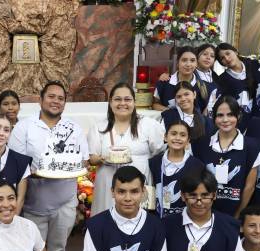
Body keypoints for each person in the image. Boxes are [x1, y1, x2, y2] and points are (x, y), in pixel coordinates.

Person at [8, 81, 90, 251]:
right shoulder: (25, 127)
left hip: (65, 199)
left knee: (58, 245)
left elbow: (83, 160)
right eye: (51, 96)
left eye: (60, 98)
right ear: (40, 99)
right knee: (34, 246)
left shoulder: (73, 127)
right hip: (35, 201)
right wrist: (34, 173)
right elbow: (16, 163)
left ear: (65, 102)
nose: (56, 101)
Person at [88, 82, 165, 216]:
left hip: (138, 184)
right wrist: (102, 158)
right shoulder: (99, 127)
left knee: (137, 225)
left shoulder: (148, 125)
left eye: (127, 99)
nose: (122, 103)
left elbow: (160, 151)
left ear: (134, 102)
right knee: (107, 223)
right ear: (110, 102)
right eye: (117, 99)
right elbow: (91, 158)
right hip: (108, 184)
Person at [192, 96, 260, 217]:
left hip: (234, 213)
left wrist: (237, 215)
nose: (225, 120)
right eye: (220, 115)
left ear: (238, 116)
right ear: (214, 117)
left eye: (230, 115)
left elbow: (249, 187)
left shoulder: (251, 146)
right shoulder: (201, 143)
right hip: (204, 213)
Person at [148, 120, 206, 219]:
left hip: (184, 221)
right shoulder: (154, 162)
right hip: (157, 219)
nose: (177, 138)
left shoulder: (197, 166)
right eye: (173, 134)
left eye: (183, 135)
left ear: (188, 140)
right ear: (165, 137)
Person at [215, 43, 258, 131]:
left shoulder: (253, 65)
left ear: (235, 51)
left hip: (257, 119)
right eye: (222, 58)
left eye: (228, 53)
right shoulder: (222, 79)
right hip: (237, 124)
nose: (226, 58)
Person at [153, 46, 209, 112]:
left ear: (196, 64)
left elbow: (206, 112)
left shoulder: (204, 86)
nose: (188, 64)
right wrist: (171, 112)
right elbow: (155, 104)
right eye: (184, 60)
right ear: (177, 63)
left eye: (192, 60)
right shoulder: (164, 83)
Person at [195, 43, 220, 116]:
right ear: (197, 56)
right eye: (205, 54)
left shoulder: (217, 77)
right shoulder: (191, 75)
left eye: (212, 56)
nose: (208, 57)